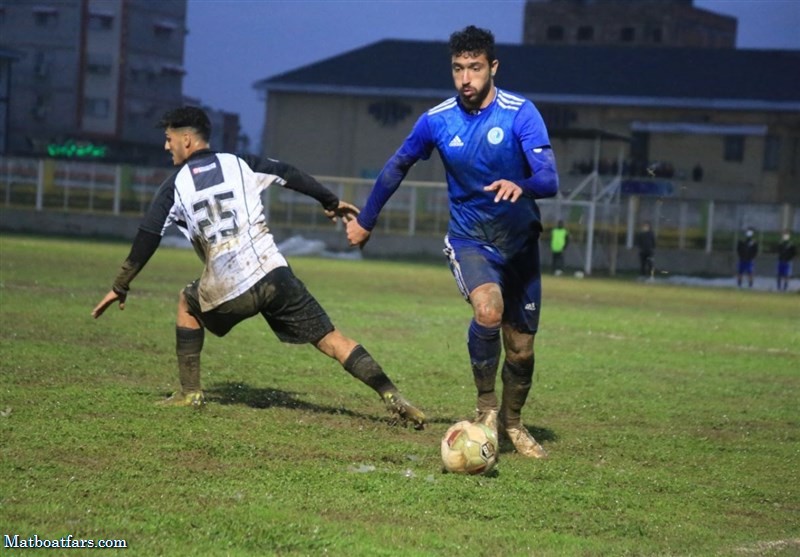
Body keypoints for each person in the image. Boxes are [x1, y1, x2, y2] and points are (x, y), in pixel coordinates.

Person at [91, 106, 425, 429]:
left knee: (185, 302)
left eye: (169, 139)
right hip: (274, 274)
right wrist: (331, 201)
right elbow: (290, 174)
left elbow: (147, 236)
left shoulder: (175, 185)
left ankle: (190, 393)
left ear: (188, 141)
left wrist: (121, 285)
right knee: (331, 339)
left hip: (227, 285)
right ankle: (391, 394)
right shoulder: (241, 163)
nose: (167, 146)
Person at [346, 26, 559, 458]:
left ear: (492, 68)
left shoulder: (521, 113)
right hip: (470, 239)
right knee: (488, 309)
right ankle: (486, 412)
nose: (466, 79)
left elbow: (550, 179)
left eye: (475, 68)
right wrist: (366, 221)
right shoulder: (437, 120)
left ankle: (514, 425)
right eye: (459, 69)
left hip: (520, 246)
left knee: (521, 349)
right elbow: (396, 166)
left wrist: (522, 185)